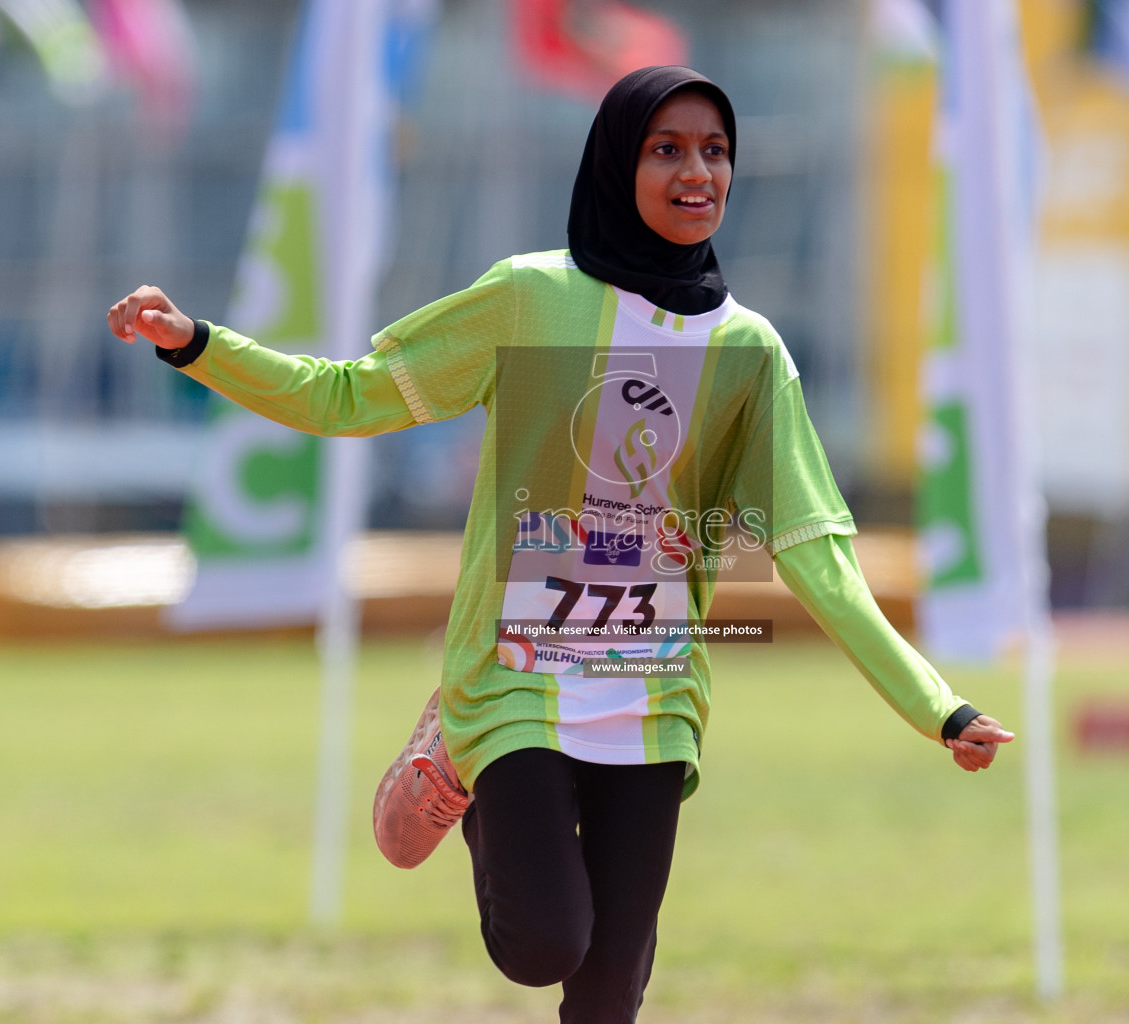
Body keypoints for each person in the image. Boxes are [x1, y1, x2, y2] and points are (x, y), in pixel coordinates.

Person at [108, 64, 1014, 1024]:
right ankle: (449, 754)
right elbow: (348, 394)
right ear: (617, 163)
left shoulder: (750, 354)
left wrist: (940, 710)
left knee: (610, 990)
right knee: (545, 945)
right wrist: (199, 343)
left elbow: (814, 554)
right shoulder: (531, 298)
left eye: (715, 151)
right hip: (516, 681)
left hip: (655, 694)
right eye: (667, 149)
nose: (696, 171)